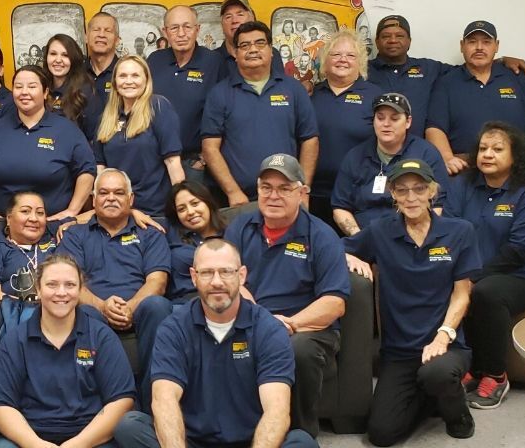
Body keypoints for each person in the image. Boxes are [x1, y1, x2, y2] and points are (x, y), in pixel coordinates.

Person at [113, 239, 318, 448]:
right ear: (194, 277)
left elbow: (277, 410)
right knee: (130, 427)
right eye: (207, 272)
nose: (217, 282)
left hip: (252, 441)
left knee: (302, 443)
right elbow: (164, 400)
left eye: (226, 272)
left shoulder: (268, 329)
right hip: (190, 441)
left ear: (242, 275)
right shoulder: (173, 328)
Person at [344, 159, 478, 445]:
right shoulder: (380, 231)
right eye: (402, 190)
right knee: (381, 434)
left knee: (437, 374)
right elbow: (330, 247)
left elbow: (462, 293)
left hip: (446, 345)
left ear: (432, 191)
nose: (411, 197)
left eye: (419, 189)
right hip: (399, 353)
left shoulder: (460, 231)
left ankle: (457, 414)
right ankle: (429, 397)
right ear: (392, 194)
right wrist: (352, 256)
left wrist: (444, 335)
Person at [223, 153, 350, 438]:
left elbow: (334, 303)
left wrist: (288, 325)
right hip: (249, 319)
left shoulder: (321, 235)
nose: (273, 195)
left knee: (297, 350)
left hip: (305, 328)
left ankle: (300, 434)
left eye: (284, 188)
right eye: (266, 187)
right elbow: (227, 278)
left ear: (302, 192)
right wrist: (261, 320)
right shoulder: (239, 228)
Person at [446, 122, 525, 410]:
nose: (488, 155)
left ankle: (495, 375)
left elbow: (521, 250)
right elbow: (449, 228)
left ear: (515, 155)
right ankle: (467, 367)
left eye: (497, 149)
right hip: (472, 270)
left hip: (521, 273)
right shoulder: (462, 185)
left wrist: (472, 278)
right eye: (483, 148)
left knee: (487, 293)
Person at [0, 254, 136, 448]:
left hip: (91, 438)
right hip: (31, 438)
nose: (61, 292)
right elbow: (0, 405)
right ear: (38, 290)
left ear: (80, 290)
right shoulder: (15, 340)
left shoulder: (101, 337)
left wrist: (76, 445)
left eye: (70, 285)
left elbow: (122, 401)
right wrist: (36, 445)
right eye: (52, 285)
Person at [57, 169, 172, 399]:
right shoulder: (74, 235)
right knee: (83, 312)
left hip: (141, 310)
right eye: (104, 192)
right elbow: (70, 283)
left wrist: (131, 306)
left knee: (158, 305)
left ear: (131, 200)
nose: (111, 198)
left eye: (119, 193)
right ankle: (97, 402)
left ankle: (155, 399)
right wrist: (102, 306)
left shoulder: (150, 233)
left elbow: (157, 281)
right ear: (94, 199)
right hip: (94, 311)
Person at [0, 191, 58, 443]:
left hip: (56, 309)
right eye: (26, 211)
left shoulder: (57, 243)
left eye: (40, 213)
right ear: (8, 218)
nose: (34, 218)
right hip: (10, 311)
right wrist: (21, 306)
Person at [201, 21, 319, 207]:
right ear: (236, 54)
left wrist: (303, 189)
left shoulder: (294, 90)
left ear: (271, 50)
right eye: (245, 45)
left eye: (260, 43)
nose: (253, 49)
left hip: (286, 197)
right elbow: (210, 147)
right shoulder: (219, 93)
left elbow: (310, 140)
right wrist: (233, 192)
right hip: (238, 200)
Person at [426, 20, 525, 176]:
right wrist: (447, 158)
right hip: (466, 165)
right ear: (462, 46)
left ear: (496, 46)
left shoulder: (517, 76)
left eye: (486, 42)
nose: (479, 47)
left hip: (515, 164)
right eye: (472, 42)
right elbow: (435, 128)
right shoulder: (446, 82)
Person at [368, 15, 525, 137]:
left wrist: (501, 61)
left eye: (399, 35)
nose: (392, 40)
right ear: (376, 42)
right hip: (375, 150)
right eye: (386, 36)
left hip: (416, 152)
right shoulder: (362, 71)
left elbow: (470, 68)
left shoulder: (428, 68)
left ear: (410, 41)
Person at [0, 66, 96, 221]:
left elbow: (87, 170)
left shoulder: (66, 130)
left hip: (53, 228)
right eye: (18, 87)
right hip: (3, 228)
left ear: (45, 93)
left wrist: (72, 211)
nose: (24, 92)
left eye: (32, 86)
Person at [332, 93, 449, 235]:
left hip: (413, 238)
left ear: (408, 122)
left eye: (394, 118)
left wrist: (420, 236)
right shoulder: (355, 156)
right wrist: (360, 238)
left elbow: (439, 203)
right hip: (366, 238)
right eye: (380, 118)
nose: (386, 124)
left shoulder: (426, 153)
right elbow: (340, 207)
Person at [309, 29, 383, 224]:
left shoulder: (376, 97)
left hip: (359, 195)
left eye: (351, 55)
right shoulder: (311, 95)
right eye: (336, 54)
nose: (343, 59)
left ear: (360, 63)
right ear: (325, 61)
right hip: (314, 194)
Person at [95, 55, 184, 216]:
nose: (129, 81)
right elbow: (100, 167)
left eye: (135, 75)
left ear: (146, 80)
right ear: (114, 82)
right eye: (123, 76)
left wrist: (182, 203)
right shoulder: (106, 117)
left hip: (154, 210)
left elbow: (173, 162)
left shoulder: (158, 107)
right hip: (118, 211)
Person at [147, 6, 224, 184]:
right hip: (156, 161)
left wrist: (206, 157)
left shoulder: (213, 62)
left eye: (187, 27)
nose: (181, 33)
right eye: (174, 28)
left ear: (197, 29)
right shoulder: (154, 60)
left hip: (194, 163)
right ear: (165, 32)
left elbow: (227, 110)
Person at [162, 181, 226, 304]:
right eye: (181, 209)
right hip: (182, 305)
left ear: (208, 202)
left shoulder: (232, 232)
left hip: (221, 302)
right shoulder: (171, 231)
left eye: (195, 203)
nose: (190, 212)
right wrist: (134, 212)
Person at [44, 33, 101, 138]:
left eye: (65, 55)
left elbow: (94, 136)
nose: (58, 60)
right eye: (53, 54)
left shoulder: (85, 91)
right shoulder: (40, 88)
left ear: (74, 59)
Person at [215, 0, 285, 79]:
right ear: (222, 25)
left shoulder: (271, 54)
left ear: (252, 18)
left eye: (240, 15)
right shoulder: (212, 59)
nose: (234, 21)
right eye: (228, 17)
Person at [86, 12, 121, 99]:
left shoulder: (125, 73)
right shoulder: (75, 72)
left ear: (117, 40)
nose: (101, 35)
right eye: (96, 29)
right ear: (86, 37)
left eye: (108, 30)